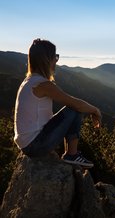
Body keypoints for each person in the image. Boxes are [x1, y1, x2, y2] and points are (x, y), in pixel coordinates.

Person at [13, 38, 101, 168]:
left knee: (73, 108)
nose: (56, 61)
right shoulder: (42, 85)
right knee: (74, 109)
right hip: (35, 145)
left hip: (27, 143)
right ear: (47, 60)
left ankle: (72, 154)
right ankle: (72, 154)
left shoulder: (29, 81)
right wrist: (95, 110)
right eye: (56, 57)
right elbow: (74, 103)